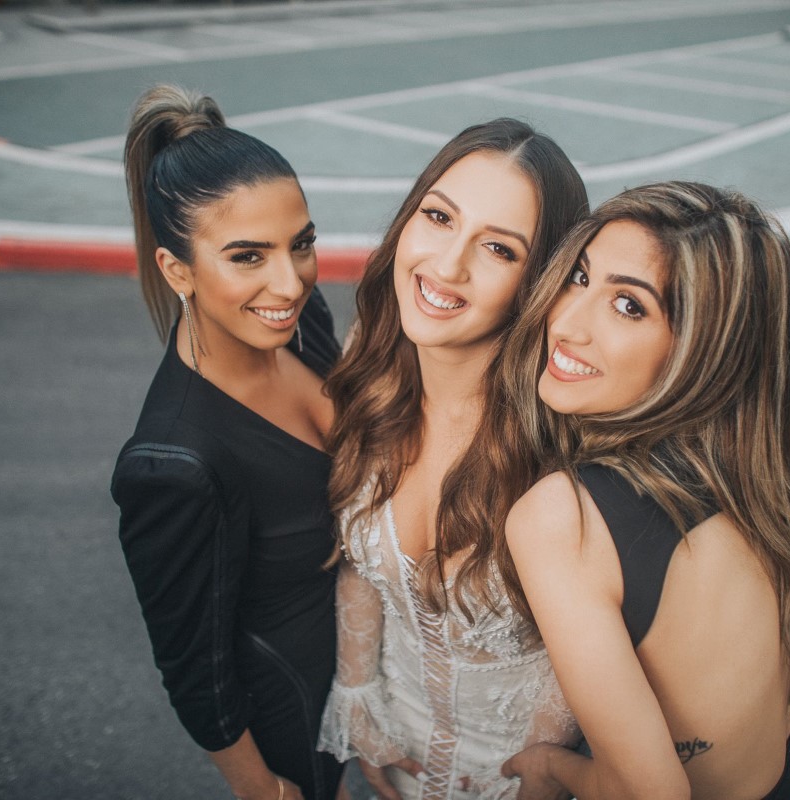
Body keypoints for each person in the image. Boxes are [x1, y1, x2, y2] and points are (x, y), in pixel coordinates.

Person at [498, 182, 790, 800]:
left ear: (702, 351)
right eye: (579, 277)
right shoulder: (768, 469)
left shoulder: (563, 519)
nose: (566, 322)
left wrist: (552, 768)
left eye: (629, 306)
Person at [315, 119, 589, 800]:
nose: (447, 265)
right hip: (392, 760)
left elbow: (582, 655)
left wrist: (537, 785)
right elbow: (360, 564)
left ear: (539, 282)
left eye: (498, 248)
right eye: (438, 217)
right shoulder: (370, 369)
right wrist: (359, 699)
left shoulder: (565, 440)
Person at [110, 85, 343, 800]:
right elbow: (194, 669)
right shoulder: (174, 464)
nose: (290, 282)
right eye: (248, 257)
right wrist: (264, 789)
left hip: (371, 679)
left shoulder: (296, 322)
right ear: (175, 270)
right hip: (297, 721)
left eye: (301, 244)